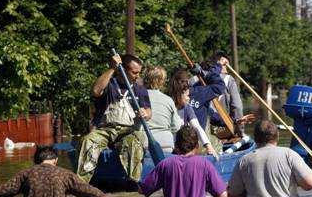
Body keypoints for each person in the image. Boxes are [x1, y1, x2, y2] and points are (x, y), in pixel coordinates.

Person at [0, 145, 124, 197]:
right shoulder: (65, 175)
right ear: (55, 160)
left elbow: (0, 192)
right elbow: (90, 191)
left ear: (36, 161)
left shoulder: (25, 174)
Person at [77, 53, 151, 182]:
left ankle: (133, 182)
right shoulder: (110, 84)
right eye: (134, 72)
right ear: (123, 70)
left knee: (136, 142)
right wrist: (112, 68)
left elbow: (149, 111)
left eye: (139, 72)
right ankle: (81, 182)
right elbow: (95, 91)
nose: (137, 76)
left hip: (128, 131)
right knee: (88, 140)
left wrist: (145, 113)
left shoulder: (139, 89)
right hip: (105, 129)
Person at [227, 120, 312, 197]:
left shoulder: (244, 160)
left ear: (255, 138)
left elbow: (232, 195)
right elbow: (310, 184)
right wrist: (294, 181)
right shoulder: (289, 154)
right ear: (277, 136)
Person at [139, 126, 228, 197]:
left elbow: (143, 190)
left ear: (176, 146)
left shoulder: (165, 165)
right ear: (197, 146)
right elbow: (223, 196)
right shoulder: (205, 165)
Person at [169, 72, 217, 157]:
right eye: (187, 95)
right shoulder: (168, 105)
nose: (189, 98)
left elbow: (197, 127)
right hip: (169, 146)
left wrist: (208, 146)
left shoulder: (187, 108)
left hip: (180, 146)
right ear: (179, 94)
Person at [144, 66, 182, 152]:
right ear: (161, 81)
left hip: (145, 143)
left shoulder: (138, 97)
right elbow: (176, 126)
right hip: (166, 144)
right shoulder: (168, 100)